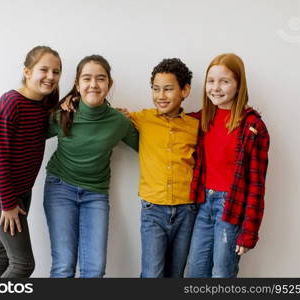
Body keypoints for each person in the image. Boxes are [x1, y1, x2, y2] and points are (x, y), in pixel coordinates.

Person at [63, 58, 199, 277]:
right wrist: (73, 100)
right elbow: (107, 115)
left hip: (187, 209)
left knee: (176, 273)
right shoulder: (143, 118)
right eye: (156, 89)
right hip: (153, 211)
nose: (161, 96)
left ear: (185, 90)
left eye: (168, 89)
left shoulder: (195, 126)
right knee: (151, 274)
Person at [43, 55, 138, 277]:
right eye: (86, 78)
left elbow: (148, 148)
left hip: (95, 195)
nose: (93, 84)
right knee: (63, 266)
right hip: (60, 188)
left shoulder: (119, 122)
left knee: (94, 269)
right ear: (78, 84)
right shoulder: (63, 114)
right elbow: (28, 134)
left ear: (109, 84)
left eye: (100, 78)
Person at [186, 53, 270, 278]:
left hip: (230, 208)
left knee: (222, 273)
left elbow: (256, 186)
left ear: (238, 85)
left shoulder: (252, 127)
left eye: (225, 81)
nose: (216, 87)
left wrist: (249, 232)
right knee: (195, 270)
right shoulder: (202, 119)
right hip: (203, 204)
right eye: (211, 81)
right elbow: (170, 122)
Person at [0, 45, 62, 278]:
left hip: (22, 191)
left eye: (56, 72)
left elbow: (36, 133)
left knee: (2, 256)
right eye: (43, 70)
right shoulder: (11, 103)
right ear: (27, 72)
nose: (50, 76)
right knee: (23, 264)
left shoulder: (43, 106)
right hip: (1, 193)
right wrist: (7, 204)